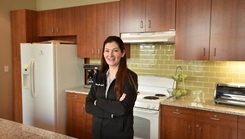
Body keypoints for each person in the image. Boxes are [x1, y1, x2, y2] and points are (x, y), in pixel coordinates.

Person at [85, 36, 138, 139]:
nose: (110, 55)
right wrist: (112, 114)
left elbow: (122, 109)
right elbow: (88, 105)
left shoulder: (130, 77)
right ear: (103, 53)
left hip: (119, 134)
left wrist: (99, 102)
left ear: (122, 53)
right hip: (98, 133)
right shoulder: (99, 76)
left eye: (115, 51)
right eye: (107, 51)